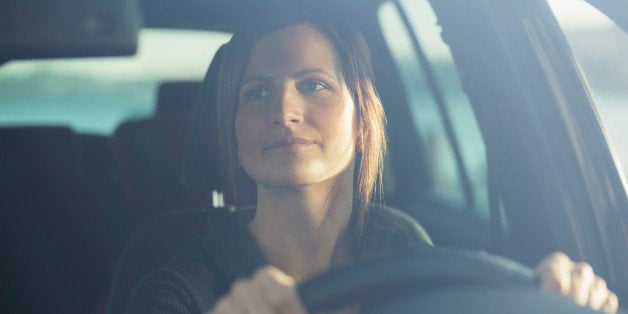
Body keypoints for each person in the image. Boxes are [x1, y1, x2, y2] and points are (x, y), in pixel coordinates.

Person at [125, 5, 618, 314]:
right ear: (231, 135)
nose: (283, 111)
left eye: (313, 85)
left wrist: (554, 299)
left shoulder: (415, 259)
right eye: (256, 94)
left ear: (364, 121)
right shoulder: (176, 293)